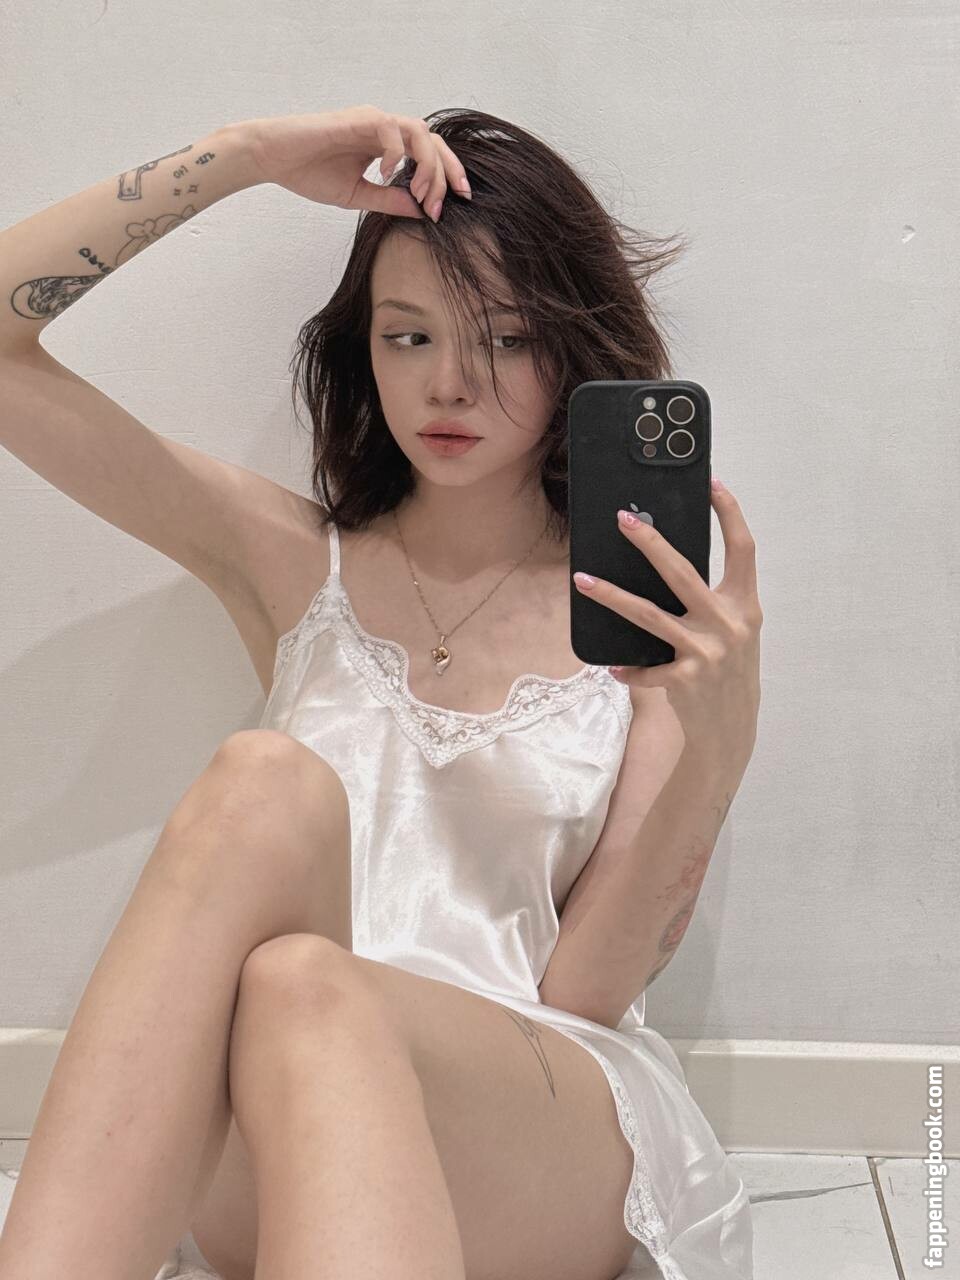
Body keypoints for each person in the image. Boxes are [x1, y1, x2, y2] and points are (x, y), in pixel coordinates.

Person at [0, 104, 760, 1280]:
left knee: (313, 988)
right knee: (271, 841)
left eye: (505, 337)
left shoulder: (645, 619)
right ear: (364, 348)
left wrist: (718, 745)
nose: (449, 383)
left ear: (571, 350)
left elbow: (589, 988)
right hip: (279, 1105)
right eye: (408, 336)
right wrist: (247, 159)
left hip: (532, 1112)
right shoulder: (292, 563)